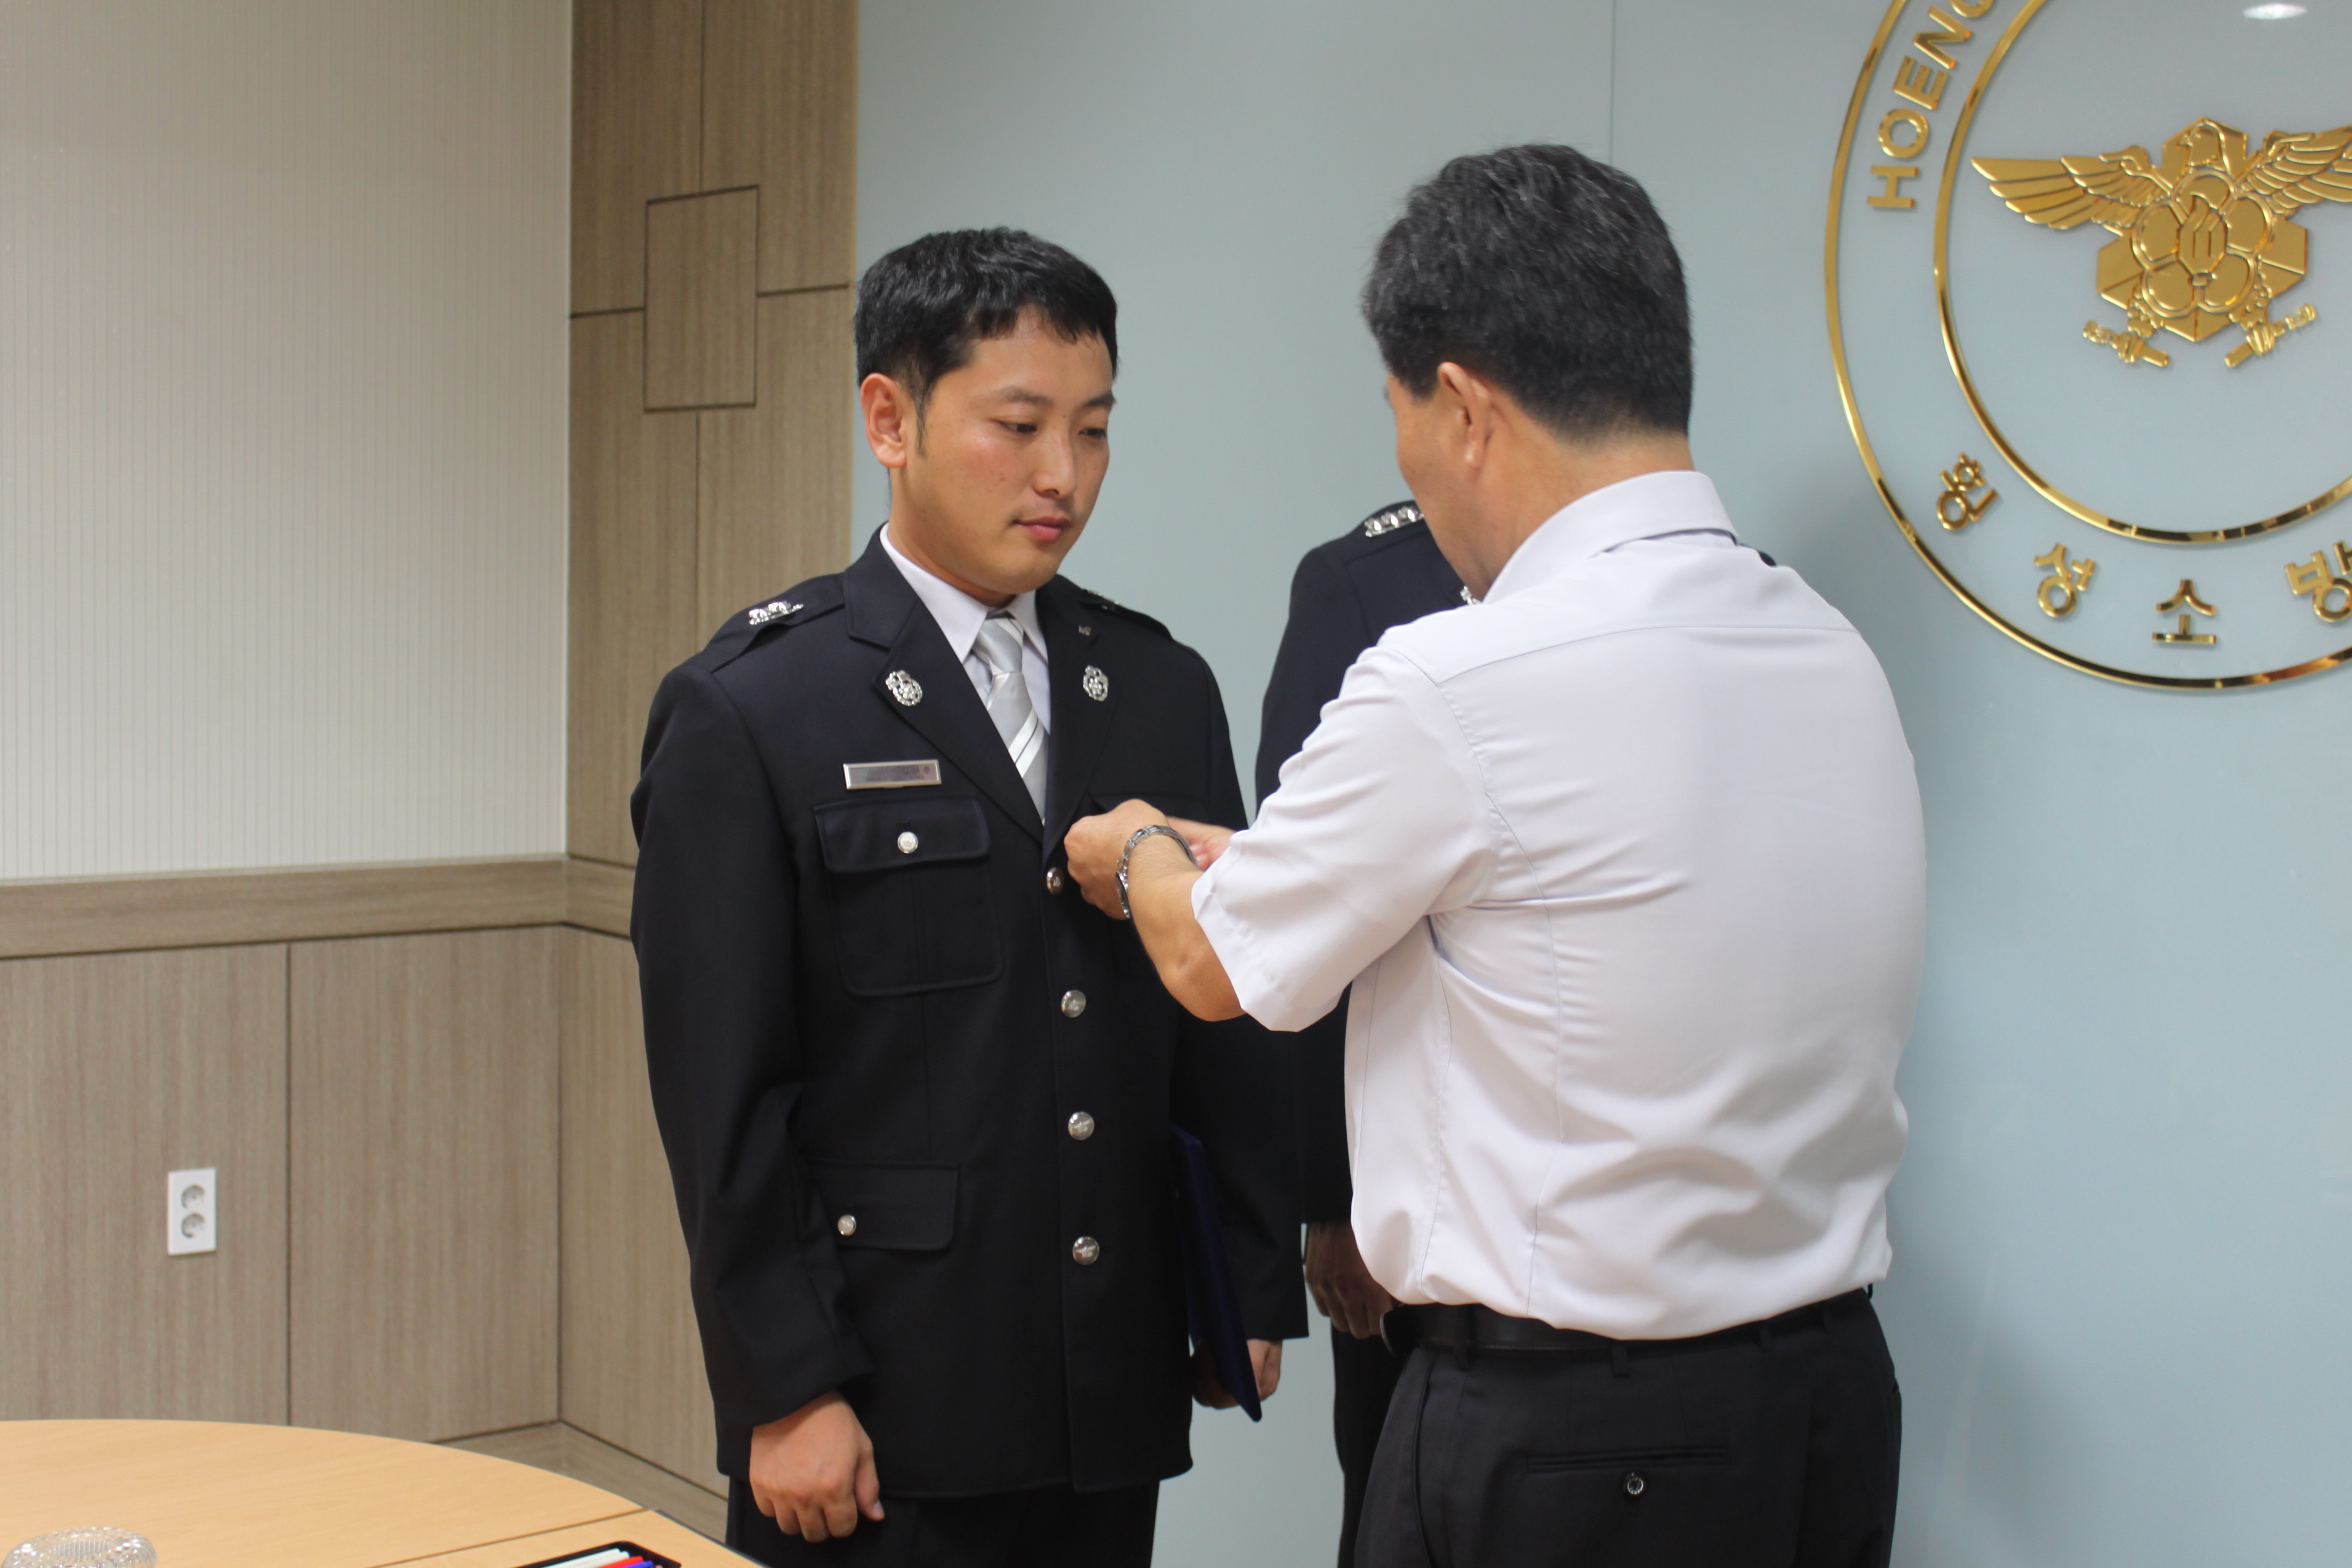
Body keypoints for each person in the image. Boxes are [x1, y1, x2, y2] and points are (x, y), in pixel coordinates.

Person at [1066, 145, 1924, 1568]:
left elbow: (1214, 961)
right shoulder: (1822, 645)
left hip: (1577, 1444)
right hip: (1822, 1406)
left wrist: (1144, 848)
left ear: (1463, 408)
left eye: (1402, 420)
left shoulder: (1461, 675)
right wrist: (1273, 861)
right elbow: (1585, 894)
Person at [631, 227, 1303, 1568]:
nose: (1065, 475)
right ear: (891, 418)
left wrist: (1245, 1279)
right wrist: (785, 1385)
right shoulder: (756, 705)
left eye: (1094, 430)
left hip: (1106, 1383)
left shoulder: (1160, 687)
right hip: (882, 1400)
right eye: (1020, 425)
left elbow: (1221, 1015)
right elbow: (725, 1094)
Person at [1255, 498, 1462, 1568]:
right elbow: (1309, 926)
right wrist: (1335, 1200)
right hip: (1415, 1216)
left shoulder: (1702, 594)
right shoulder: (1366, 586)